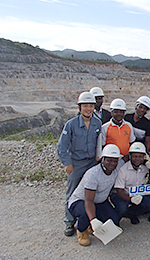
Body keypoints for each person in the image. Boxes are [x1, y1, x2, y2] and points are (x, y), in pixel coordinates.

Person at [57, 91, 102, 237]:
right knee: (72, 192)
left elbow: (99, 143)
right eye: (85, 106)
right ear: (79, 107)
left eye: (91, 106)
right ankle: (69, 222)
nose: (88, 108)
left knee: (90, 192)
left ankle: (88, 220)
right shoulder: (71, 125)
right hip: (76, 164)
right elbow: (62, 147)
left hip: (91, 163)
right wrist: (67, 163)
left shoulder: (97, 123)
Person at [68, 144, 121, 246]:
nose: (112, 163)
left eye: (115, 161)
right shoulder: (93, 174)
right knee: (85, 214)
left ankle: (90, 225)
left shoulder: (115, 171)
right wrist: (93, 219)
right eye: (109, 160)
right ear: (102, 159)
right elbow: (88, 200)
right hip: (80, 201)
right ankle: (82, 230)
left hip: (99, 202)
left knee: (114, 220)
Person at [111, 142, 150, 224]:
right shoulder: (123, 170)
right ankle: (120, 214)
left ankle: (131, 214)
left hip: (138, 193)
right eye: (135, 156)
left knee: (149, 205)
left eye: (140, 156)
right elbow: (119, 191)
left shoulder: (146, 167)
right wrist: (131, 199)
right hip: (123, 194)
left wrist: (148, 162)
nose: (137, 159)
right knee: (122, 207)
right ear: (130, 156)